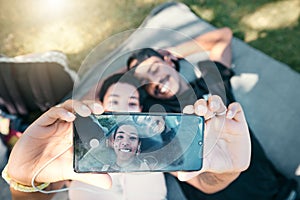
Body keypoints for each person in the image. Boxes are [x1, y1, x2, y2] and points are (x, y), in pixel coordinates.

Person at [126, 28, 298, 199]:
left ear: (169, 62)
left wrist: (170, 52)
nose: (154, 81)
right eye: (144, 81)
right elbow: (104, 94)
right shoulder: (154, 116)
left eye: (155, 69)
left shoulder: (210, 83)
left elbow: (223, 37)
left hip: (279, 192)